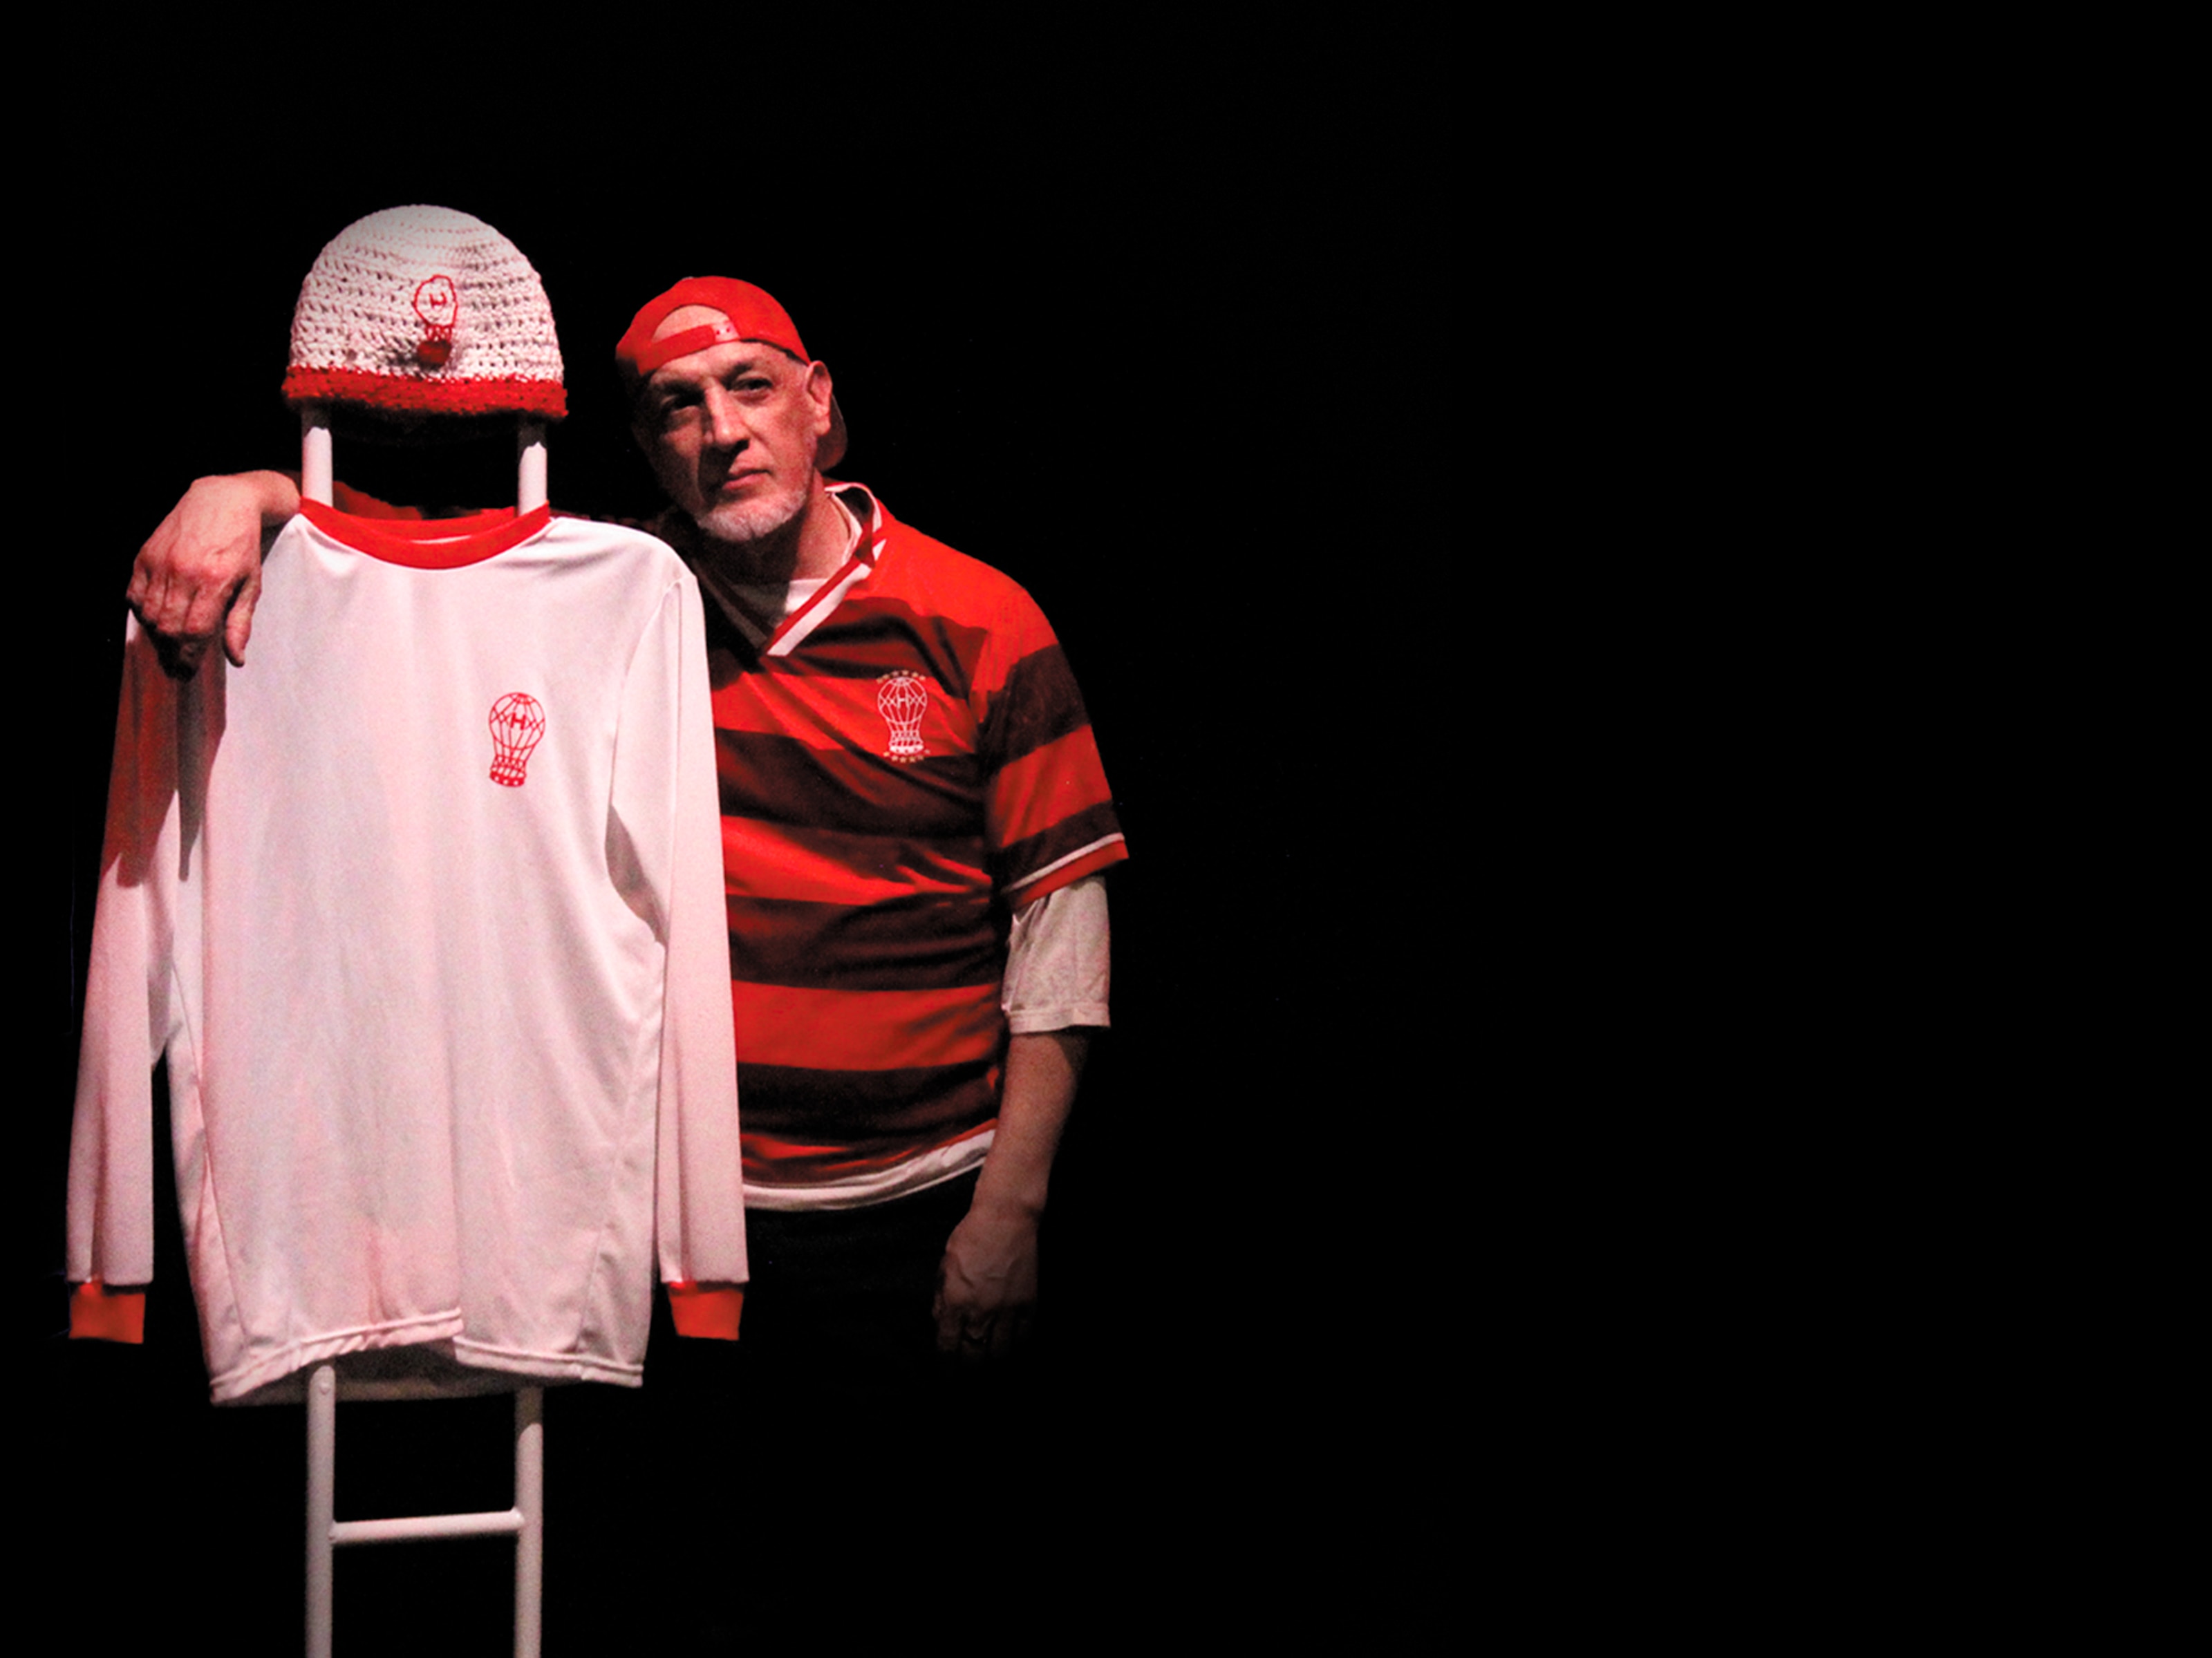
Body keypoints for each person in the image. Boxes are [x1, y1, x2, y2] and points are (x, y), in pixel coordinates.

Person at [124, 274, 1127, 1406]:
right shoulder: (613, 601)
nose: (722, 431)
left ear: (818, 399)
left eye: (749, 387)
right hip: (671, 1207)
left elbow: (1062, 930)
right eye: (676, 407)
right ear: (647, 447)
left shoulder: (980, 615)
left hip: (920, 1203)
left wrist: (1011, 1208)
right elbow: (403, 562)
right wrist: (249, 493)